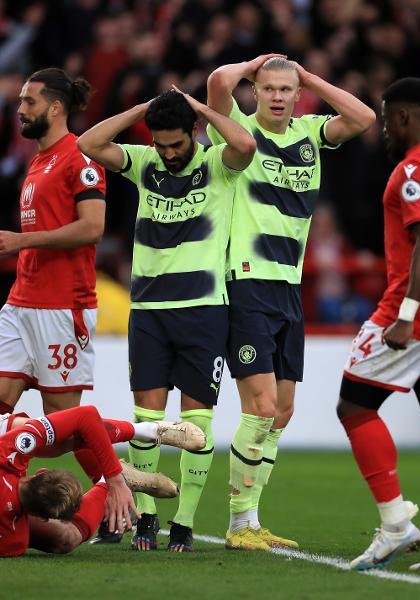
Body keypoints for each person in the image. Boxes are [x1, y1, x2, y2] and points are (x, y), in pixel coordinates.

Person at [207, 55, 375, 550]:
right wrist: (256, 63)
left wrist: (311, 77)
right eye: (270, 88)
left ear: (297, 94)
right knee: (258, 407)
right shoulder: (235, 131)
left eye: (287, 89)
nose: (279, 97)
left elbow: (364, 118)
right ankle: (240, 523)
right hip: (248, 283)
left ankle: (254, 520)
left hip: (288, 286)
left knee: (281, 411)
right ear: (254, 92)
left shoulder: (310, 132)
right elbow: (219, 80)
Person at [77, 88, 256, 551]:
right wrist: (142, 110)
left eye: (175, 144)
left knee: (196, 421)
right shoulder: (144, 163)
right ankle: (147, 519)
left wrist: (200, 107)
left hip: (203, 313)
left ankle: (185, 522)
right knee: (147, 420)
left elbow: (247, 145)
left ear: (194, 132)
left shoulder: (217, 165)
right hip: (150, 314)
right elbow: (89, 144)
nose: (168, 153)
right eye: (160, 144)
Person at [336, 77, 420, 571]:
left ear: (402, 116)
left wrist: (405, 316)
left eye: (384, 119)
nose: (382, 129)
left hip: (416, 309)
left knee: (354, 407)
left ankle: (394, 526)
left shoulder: (414, 168)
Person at [0, 68, 106, 416]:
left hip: (61, 306)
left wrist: (22, 241)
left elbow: (92, 228)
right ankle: (16, 459)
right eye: (21, 102)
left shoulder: (80, 157)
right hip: (20, 302)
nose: (21, 109)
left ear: (56, 108)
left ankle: (125, 458)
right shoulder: (38, 160)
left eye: (30, 101)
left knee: (63, 431)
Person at [0, 404, 208, 557]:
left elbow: (84, 417)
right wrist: (111, 481)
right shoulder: (8, 453)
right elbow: (85, 414)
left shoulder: (13, 538)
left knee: (67, 436)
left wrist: (113, 478)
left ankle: (151, 431)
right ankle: (114, 479)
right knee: (64, 538)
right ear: (39, 472)